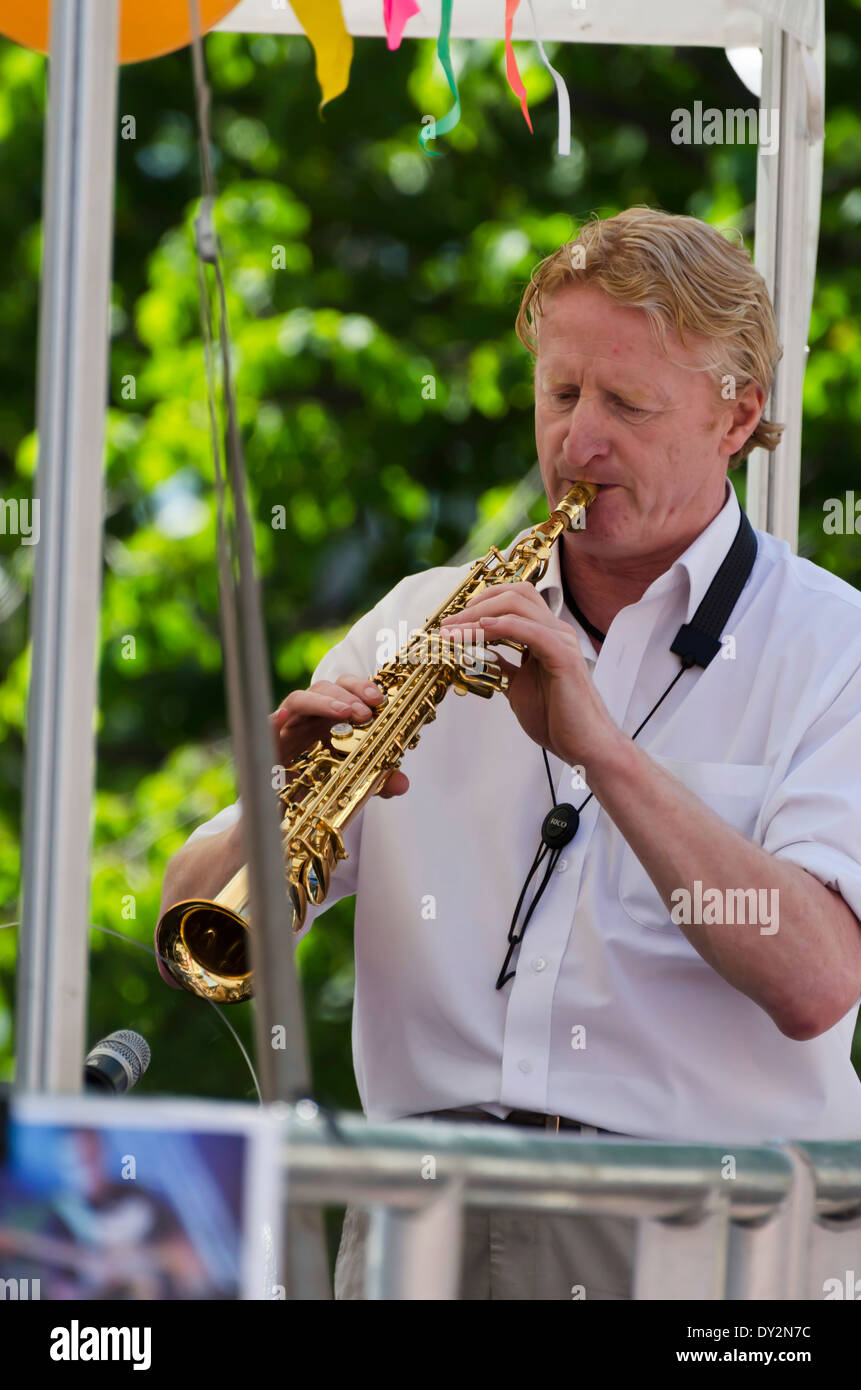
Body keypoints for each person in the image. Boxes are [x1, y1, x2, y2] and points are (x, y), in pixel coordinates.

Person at [158, 208, 861, 1300]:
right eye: (560, 393)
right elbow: (193, 934)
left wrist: (606, 753)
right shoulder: (417, 617)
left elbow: (818, 979)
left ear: (740, 414)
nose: (579, 441)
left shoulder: (833, 645)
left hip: (705, 1237)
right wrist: (276, 788)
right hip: (420, 1219)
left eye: (627, 403)